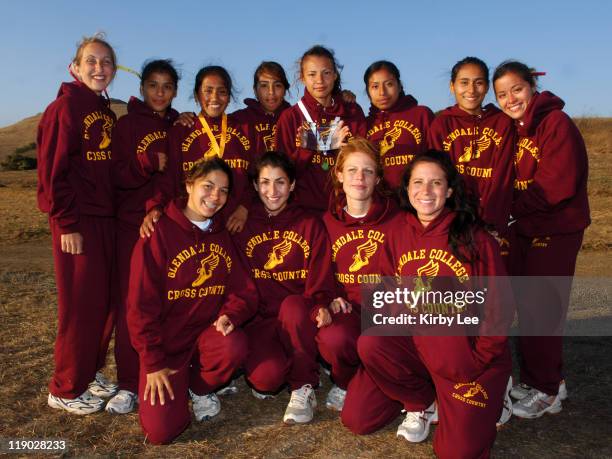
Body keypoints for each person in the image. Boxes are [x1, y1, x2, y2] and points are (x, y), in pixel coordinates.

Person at [341, 150, 513, 459]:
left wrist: (476, 364)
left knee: (456, 452)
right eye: (418, 182)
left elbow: (498, 312)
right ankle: (421, 400)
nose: (426, 191)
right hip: (417, 348)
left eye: (436, 183)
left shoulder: (475, 239)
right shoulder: (395, 232)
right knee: (358, 413)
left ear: (449, 190)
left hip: (464, 358)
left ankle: (490, 395)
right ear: (406, 189)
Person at [127, 158, 257, 444]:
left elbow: (244, 291)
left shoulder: (222, 234)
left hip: (204, 343)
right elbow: (140, 306)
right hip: (166, 350)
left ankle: (199, 388)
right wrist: (152, 362)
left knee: (233, 344)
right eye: (208, 186)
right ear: (189, 185)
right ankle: (178, 384)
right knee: (161, 433)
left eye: (223, 191)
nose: (215, 197)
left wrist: (231, 315)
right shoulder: (157, 232)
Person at [492, 60, 590, 418]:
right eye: (502, 94)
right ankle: (545, 379)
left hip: (556, 227)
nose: (511, 98)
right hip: (525, 228)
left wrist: (509, 209)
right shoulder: (514, 129)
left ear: (532, 85)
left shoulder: (555, 123)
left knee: (542, 309)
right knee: (528, 306)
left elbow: (557, 184)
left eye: (517, 89)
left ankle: (548, 392)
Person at [38, 33, 119, 414]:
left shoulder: (104, 112)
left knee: (103, 303)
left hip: (104, 219)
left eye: (106, 62)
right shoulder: (65, 109)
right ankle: (66, 387)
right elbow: (55, 173)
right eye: (91, 61)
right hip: (77, 221)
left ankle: (89, 372)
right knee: (81, 305)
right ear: (75, 67)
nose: (99, 68)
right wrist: (67, 223)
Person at [233, 151, 336, 424]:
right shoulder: (243, 224)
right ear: (255, 186)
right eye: (265, 182)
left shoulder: (309, 223)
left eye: (280, 182)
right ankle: (290, 362)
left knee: (292, 306)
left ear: (291, 185)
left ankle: (304, 384)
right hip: (261, 319)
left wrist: (320, 303)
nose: (272, 190)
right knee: (266, 380)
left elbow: (321, 275)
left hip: (298, 316)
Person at [106, 59, 180, 414]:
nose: (160, 92)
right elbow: (116, 174)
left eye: (167, 86)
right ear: (142, 89)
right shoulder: (126, 125)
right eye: (153, 85)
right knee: (131, 304)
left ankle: (167, 369)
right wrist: (145, 163)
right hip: (132, 225)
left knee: (166, 300)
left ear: (176, 92)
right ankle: (127, 382)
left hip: (168, 227)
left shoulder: (179, 125)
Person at [319, 137, 400, 412]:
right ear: (339, 175)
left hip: (386, 315)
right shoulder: (327, 221)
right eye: (352, 170)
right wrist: (330, 296)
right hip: (350, 311)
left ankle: (389, 379)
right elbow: (320, 270)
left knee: (361, 415)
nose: (360, 178)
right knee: (333, 338)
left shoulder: (397, 218)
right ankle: (344, 380)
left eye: (368, 171)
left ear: (378, 178)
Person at [148, 65, 254, 235]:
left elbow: (255, 177)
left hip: (236, 226)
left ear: (229, 97)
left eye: (222, 91)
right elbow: (168, 178)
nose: (215, 97)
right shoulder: (181, 130)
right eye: (208, 91)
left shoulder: (245, 129)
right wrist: (155, 207)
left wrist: (244, 207)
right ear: (197, 95)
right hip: (193, 227)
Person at [428, 57, 515, 237]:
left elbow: (503, 174)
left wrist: (491, 219)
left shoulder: (502, 123)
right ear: (452, 86)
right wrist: (453, 217)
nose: (471, 90)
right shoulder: (441, 124)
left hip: (492, 221)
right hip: (453, 220)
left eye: (478, 83)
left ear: (487, 87)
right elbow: (438, 176)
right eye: (464, 83)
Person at [276, 45, 367, 214]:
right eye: (312, 74)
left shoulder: (352, 112)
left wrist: (316, 142)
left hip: (346, 210)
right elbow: (282, 174)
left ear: (335, 75)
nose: (319, 80)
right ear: (302, 77)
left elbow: (364, 162)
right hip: (302, 213)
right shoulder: (290, 117)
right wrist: (320, 144)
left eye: (326, 73)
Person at [364, 60, 434, 190]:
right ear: (368, 91)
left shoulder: (421, 115)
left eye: (389, 84)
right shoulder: (365, 124)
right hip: (380, 202)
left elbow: (437, 160)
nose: (382, 92)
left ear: (400, 86)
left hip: (417, 200)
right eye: (375, 86)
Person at [233, 61, 291, 156]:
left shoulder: (295, 119)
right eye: (264, 85)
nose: (271, 92)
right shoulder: (239, 120)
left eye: (277, 85)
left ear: (285, 90)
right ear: (255, 90)